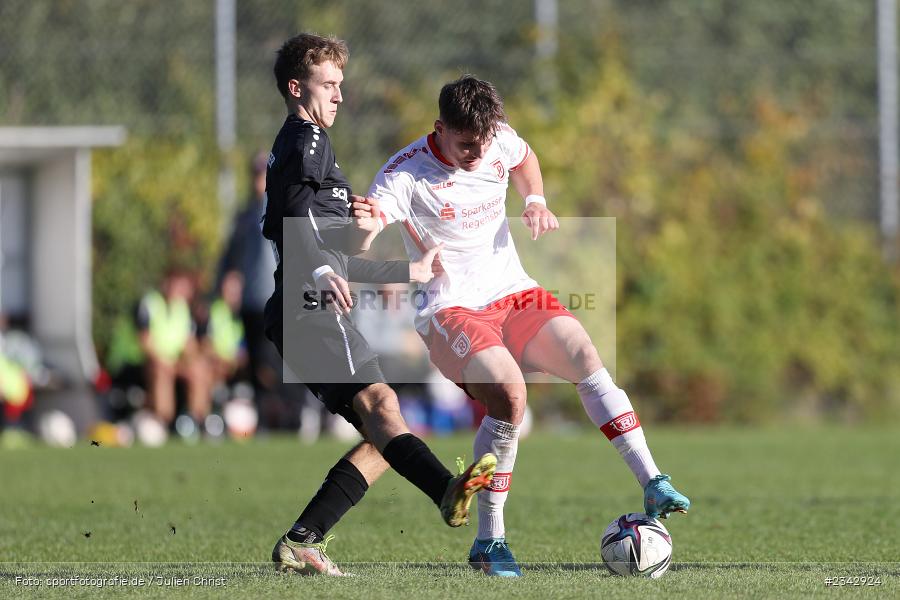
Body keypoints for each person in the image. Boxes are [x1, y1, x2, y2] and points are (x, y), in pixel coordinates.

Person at [351, 75, 692, 576]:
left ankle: (653, 480)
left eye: (483, 143)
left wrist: (535, 201)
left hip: (513, 291)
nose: (477, 153)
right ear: (439, 128)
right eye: (465, 144)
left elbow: (524, 157)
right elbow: (367, 228)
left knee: (585, 357)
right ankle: (490, 541)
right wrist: (362, 230)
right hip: (451, 310)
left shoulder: (496, 139)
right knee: (511, 397)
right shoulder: (405, 174)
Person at [260, 34, 496, 576]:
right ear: (297, 88)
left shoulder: (307, 145)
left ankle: (302, 540)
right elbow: (293, 228)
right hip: (307, 305)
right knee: (383, 408)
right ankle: (444, 490)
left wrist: (366, 242)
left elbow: (318, 239)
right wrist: (328, 265)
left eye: (341, 84)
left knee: (384, 428)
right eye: (329, 84)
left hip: (304, 303)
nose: (340, 95)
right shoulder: (306, 141)